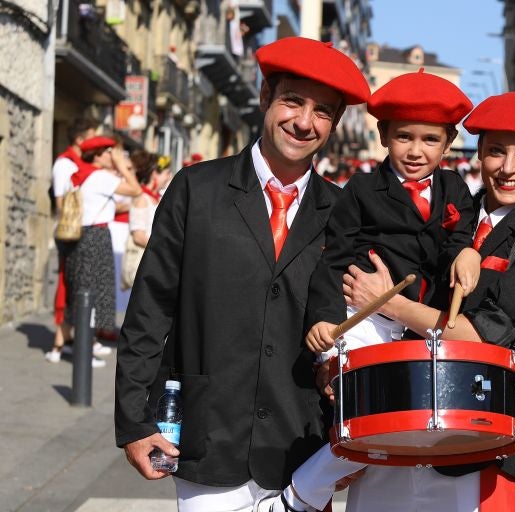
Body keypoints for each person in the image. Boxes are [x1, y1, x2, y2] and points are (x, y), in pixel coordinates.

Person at [113, 36, 370, 512]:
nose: (303, 122)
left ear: (334, 124)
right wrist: (134, 422)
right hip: (206, 437)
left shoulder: (343, 212)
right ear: (265, 98)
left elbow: (349, 327)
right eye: (293, 101)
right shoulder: (197, 189)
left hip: (301, 445)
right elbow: (150, 310)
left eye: (323, 112)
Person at [337, 91, 515, 512]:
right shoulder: (445, 209)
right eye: (496, 152)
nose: (508, 168)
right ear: (478, 155)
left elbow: (484, 336)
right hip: (387, 426)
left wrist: (385, 302)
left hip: (473, 448)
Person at [286, 69, 479, 512]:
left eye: (430, 140)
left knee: (416, 419)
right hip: (365, 312)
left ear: (448, 143)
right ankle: (308, 488)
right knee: (357, 411)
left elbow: (458, 238)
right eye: (404, 137)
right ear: (383, 136)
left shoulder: (454, 187)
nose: (415, 151)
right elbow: (335, 259)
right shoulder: (360, 189)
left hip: (420, 317)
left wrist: (466, 252)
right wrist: (324, 321)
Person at [48, 136, 141, 366]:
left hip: (80, 236)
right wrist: (121, 166)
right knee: (93, 293)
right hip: (95, 237)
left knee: (80, 291)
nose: (114, 156)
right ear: (99, 155)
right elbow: (135, 189)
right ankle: (84, 352)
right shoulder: (99, 176)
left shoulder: (82, 174)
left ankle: (80, 346)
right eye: (110, 152)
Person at [46, 118, 105, 363]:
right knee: (67, 286)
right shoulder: (64, 163)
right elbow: (61, 202)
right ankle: (62, 343)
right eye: (91, 137)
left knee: (78, 287)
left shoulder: (82, 163)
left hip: (84, 232)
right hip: (72, 232)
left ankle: (69, 340)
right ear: (80, 140)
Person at [120, 151, 173, 289]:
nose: (169, 177)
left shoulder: (155, 198)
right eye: (167, 173)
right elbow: (138, 236)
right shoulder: (142, 199)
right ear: (155, 174)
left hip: (152, 258)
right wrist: (164, 248)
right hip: (142, 260)